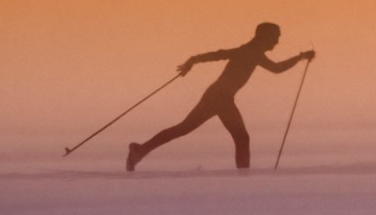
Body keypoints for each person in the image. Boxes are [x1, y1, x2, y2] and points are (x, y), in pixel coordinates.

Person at [126, 23, 315, 171]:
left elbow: (219, 54)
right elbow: (276, 69)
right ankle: (244, 177)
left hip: (217, 96)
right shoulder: (252, 51)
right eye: (275, 37)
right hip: (221, 98)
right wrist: (301, 57)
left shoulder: (250, 50)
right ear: (264, 36)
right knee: (241, 138)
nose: (277, 42)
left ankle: (141, 150)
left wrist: (192, 60)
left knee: (184, 128)